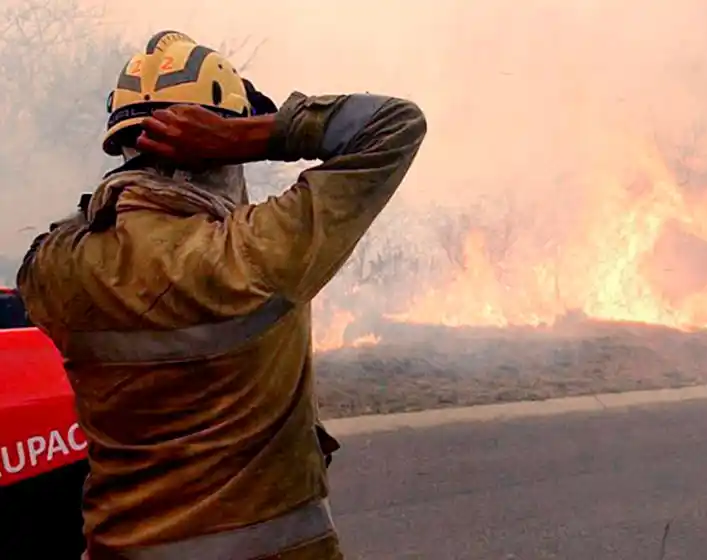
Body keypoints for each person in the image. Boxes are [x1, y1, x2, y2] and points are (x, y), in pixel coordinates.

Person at [16, 30, 427, 560]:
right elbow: (395, 124)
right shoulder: (256, 253)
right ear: (215, 149)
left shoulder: (57, 267)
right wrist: (255, 135)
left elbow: (64, 236)